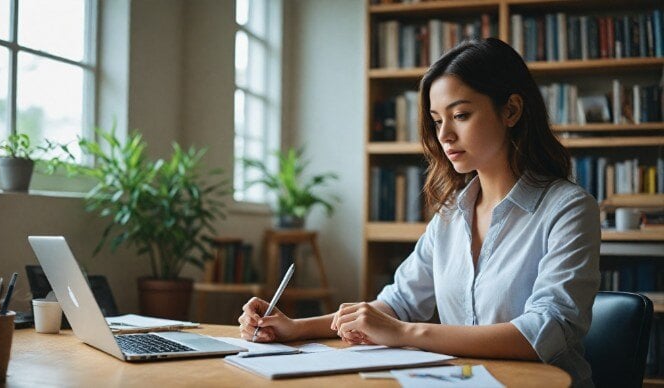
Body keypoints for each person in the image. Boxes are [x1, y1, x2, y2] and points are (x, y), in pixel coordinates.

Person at [238, 37, 600, 387]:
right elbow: (396, 304)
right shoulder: (449, 217)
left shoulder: (567, 209)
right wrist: (294, 328)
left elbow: (545, 331)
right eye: (437, 120)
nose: (445, 135)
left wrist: (404, 333)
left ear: (511, 110)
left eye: (460, 115)